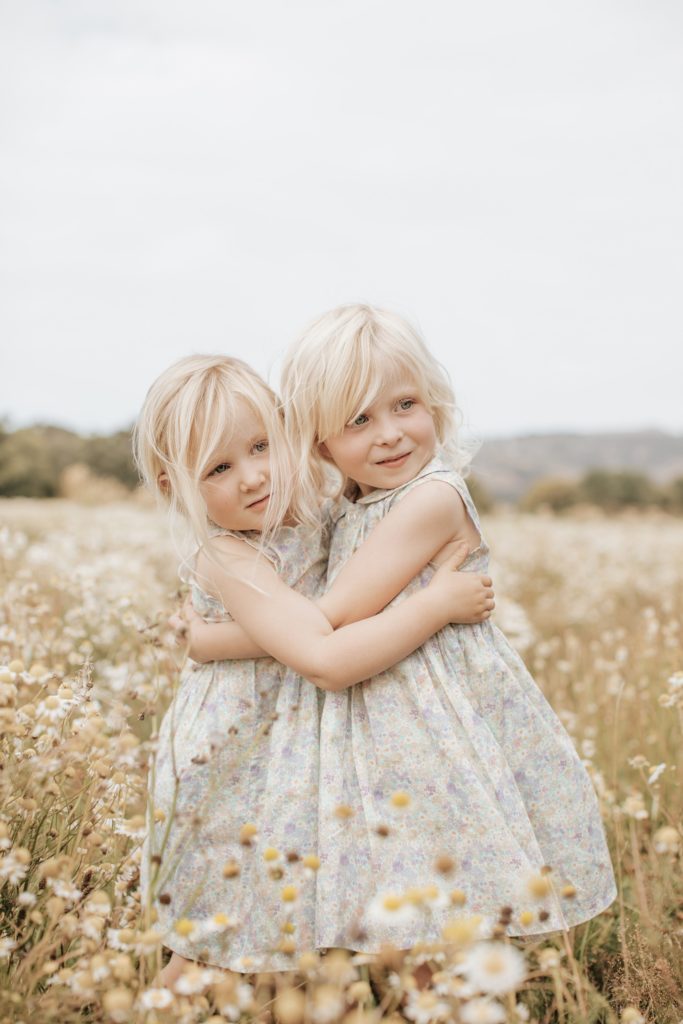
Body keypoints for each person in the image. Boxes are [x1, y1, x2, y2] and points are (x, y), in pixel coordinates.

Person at [133, 354, 495, 984]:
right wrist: (435, 604)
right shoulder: (228, 553)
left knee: (304, 933)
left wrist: (208, 639)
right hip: (237, 753)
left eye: (261, 446)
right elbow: (323, 648)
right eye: (218, 468)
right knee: (216, 941)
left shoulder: (315, 510)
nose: (252, 476)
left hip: (296, 743)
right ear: (175, 487)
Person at [275, 303, 618, 955]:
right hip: (382, 721)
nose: (389, 434)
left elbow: (329, 618)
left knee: (439, 911)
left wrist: (217, 636)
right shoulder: (351, 504)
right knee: (403, 914)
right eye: (358, 420)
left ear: (433, 401)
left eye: (405, 404)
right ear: (320, 442)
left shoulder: (430, 497)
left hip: (433, 726)